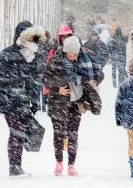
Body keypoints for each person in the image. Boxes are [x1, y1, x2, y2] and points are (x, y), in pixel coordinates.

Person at [0, 20, 48, 177]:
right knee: (17, 133)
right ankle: (14, 167)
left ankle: (16, 165)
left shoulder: (32, 55)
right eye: (30, 38)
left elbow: (33, 81)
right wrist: (0, 102)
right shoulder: (8, 54)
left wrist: (35, 102)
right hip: (10, 100)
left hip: (22, 101)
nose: (33, 42)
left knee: (20, 132)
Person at [44, 36, 85, 177]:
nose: (73, 57)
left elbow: (93, 75)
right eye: (71, 55)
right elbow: (45, 79)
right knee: (58, 134)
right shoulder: (55, 61)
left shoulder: (81, 63)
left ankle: (71, 164)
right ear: (65, 52)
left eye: (76, 55)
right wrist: (57, 89)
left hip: (75, 103)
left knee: (73, 134)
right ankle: (59, 162)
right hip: (57, 104)